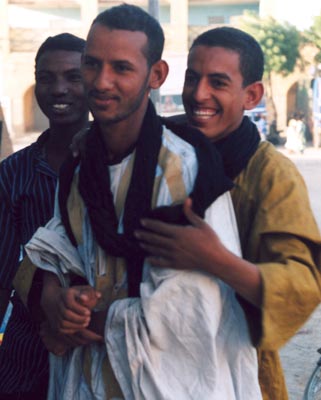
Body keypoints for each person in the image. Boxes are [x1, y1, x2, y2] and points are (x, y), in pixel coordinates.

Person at [23, 6, 263, 399]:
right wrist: (58, 298)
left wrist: (92, 322)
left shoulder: (186, 172)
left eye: (121, 68)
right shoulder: (82, 166)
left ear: (156, 75)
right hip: (87, 380)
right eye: (92, 64)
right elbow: (54, 248)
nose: (101, 82)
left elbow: (189, 315)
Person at [135, 27, 321, 400]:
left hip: (237, 374)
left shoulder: (270, 174)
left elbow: (301, 287)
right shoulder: (157, 146)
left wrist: (214, 259)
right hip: (147, 366)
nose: (199, 93)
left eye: (218, 82)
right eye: (192, 78)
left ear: (251, 95)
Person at [0, 33, 89, 400]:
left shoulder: (119, 165)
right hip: (28, 348)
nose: (59, 89)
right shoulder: (14, 173)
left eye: (73, 76)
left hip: (96, 340)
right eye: (47, 78)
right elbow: (3, 272)